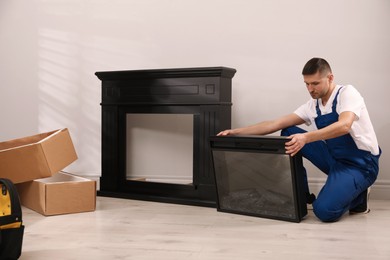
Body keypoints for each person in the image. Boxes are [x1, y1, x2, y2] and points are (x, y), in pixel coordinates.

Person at [217, 57, 381, 222]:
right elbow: (275, 123)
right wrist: (236, 132)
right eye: (307, 84)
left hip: (361, 164)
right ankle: (301, 196)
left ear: (330, 78)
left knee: (324, 211)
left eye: (315, 83)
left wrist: (306, 137)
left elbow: (344, 125)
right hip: (334, 158)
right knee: (289, 132)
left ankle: (360, 196)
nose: (310, 89)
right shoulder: (313, 105)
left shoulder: (347, 93)